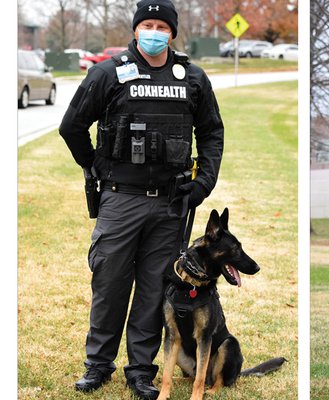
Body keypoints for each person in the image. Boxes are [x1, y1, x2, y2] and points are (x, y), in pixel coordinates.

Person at [59, 0, 224, 398]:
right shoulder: (108, 73)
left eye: (161, 25)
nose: (154, 31)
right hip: (120, 198)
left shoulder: (192, 78)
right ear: (135, 30)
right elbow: (72, 126)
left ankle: (141, 371)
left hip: (171, 204)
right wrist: (97, 165)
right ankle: (98, 366)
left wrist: (203, 184)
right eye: (146, 24)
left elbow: (212, 133)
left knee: (155, 289)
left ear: (172, 32)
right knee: (110, 284)